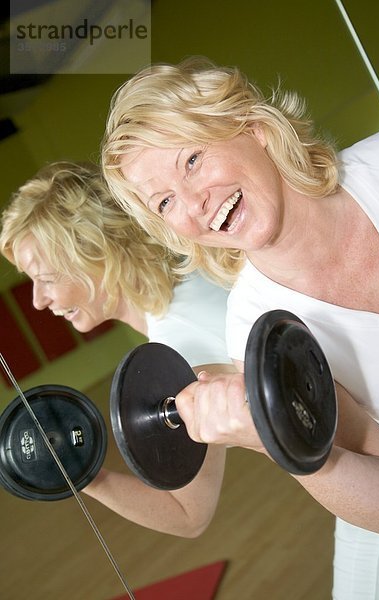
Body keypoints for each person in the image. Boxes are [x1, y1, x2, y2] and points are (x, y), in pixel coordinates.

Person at [100, 57, 379, 598]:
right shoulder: (256, 334)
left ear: (253, 128)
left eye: (191, 159)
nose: (193, 204)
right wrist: (275, 437)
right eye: (164, 201)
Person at [0, 160, 235, 538]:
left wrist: (82, 473)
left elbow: (188, 514)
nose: (38, 301)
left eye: (46, 280)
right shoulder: (192, 276)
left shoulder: (178, 348)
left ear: (98, 256)